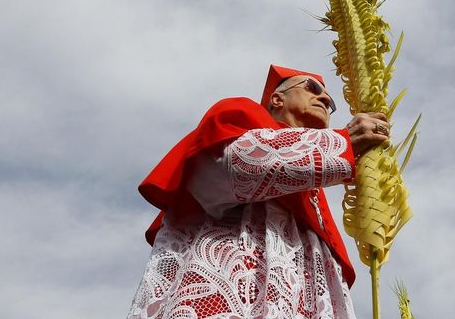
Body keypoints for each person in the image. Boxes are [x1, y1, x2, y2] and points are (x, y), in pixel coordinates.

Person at [127, 65, 390, 319]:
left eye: (330, 101)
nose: (324, 97)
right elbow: (224, 166)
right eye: (312, 87)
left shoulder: (315, 181)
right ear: (277, 99)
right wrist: (341, 143)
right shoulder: (243, 114)